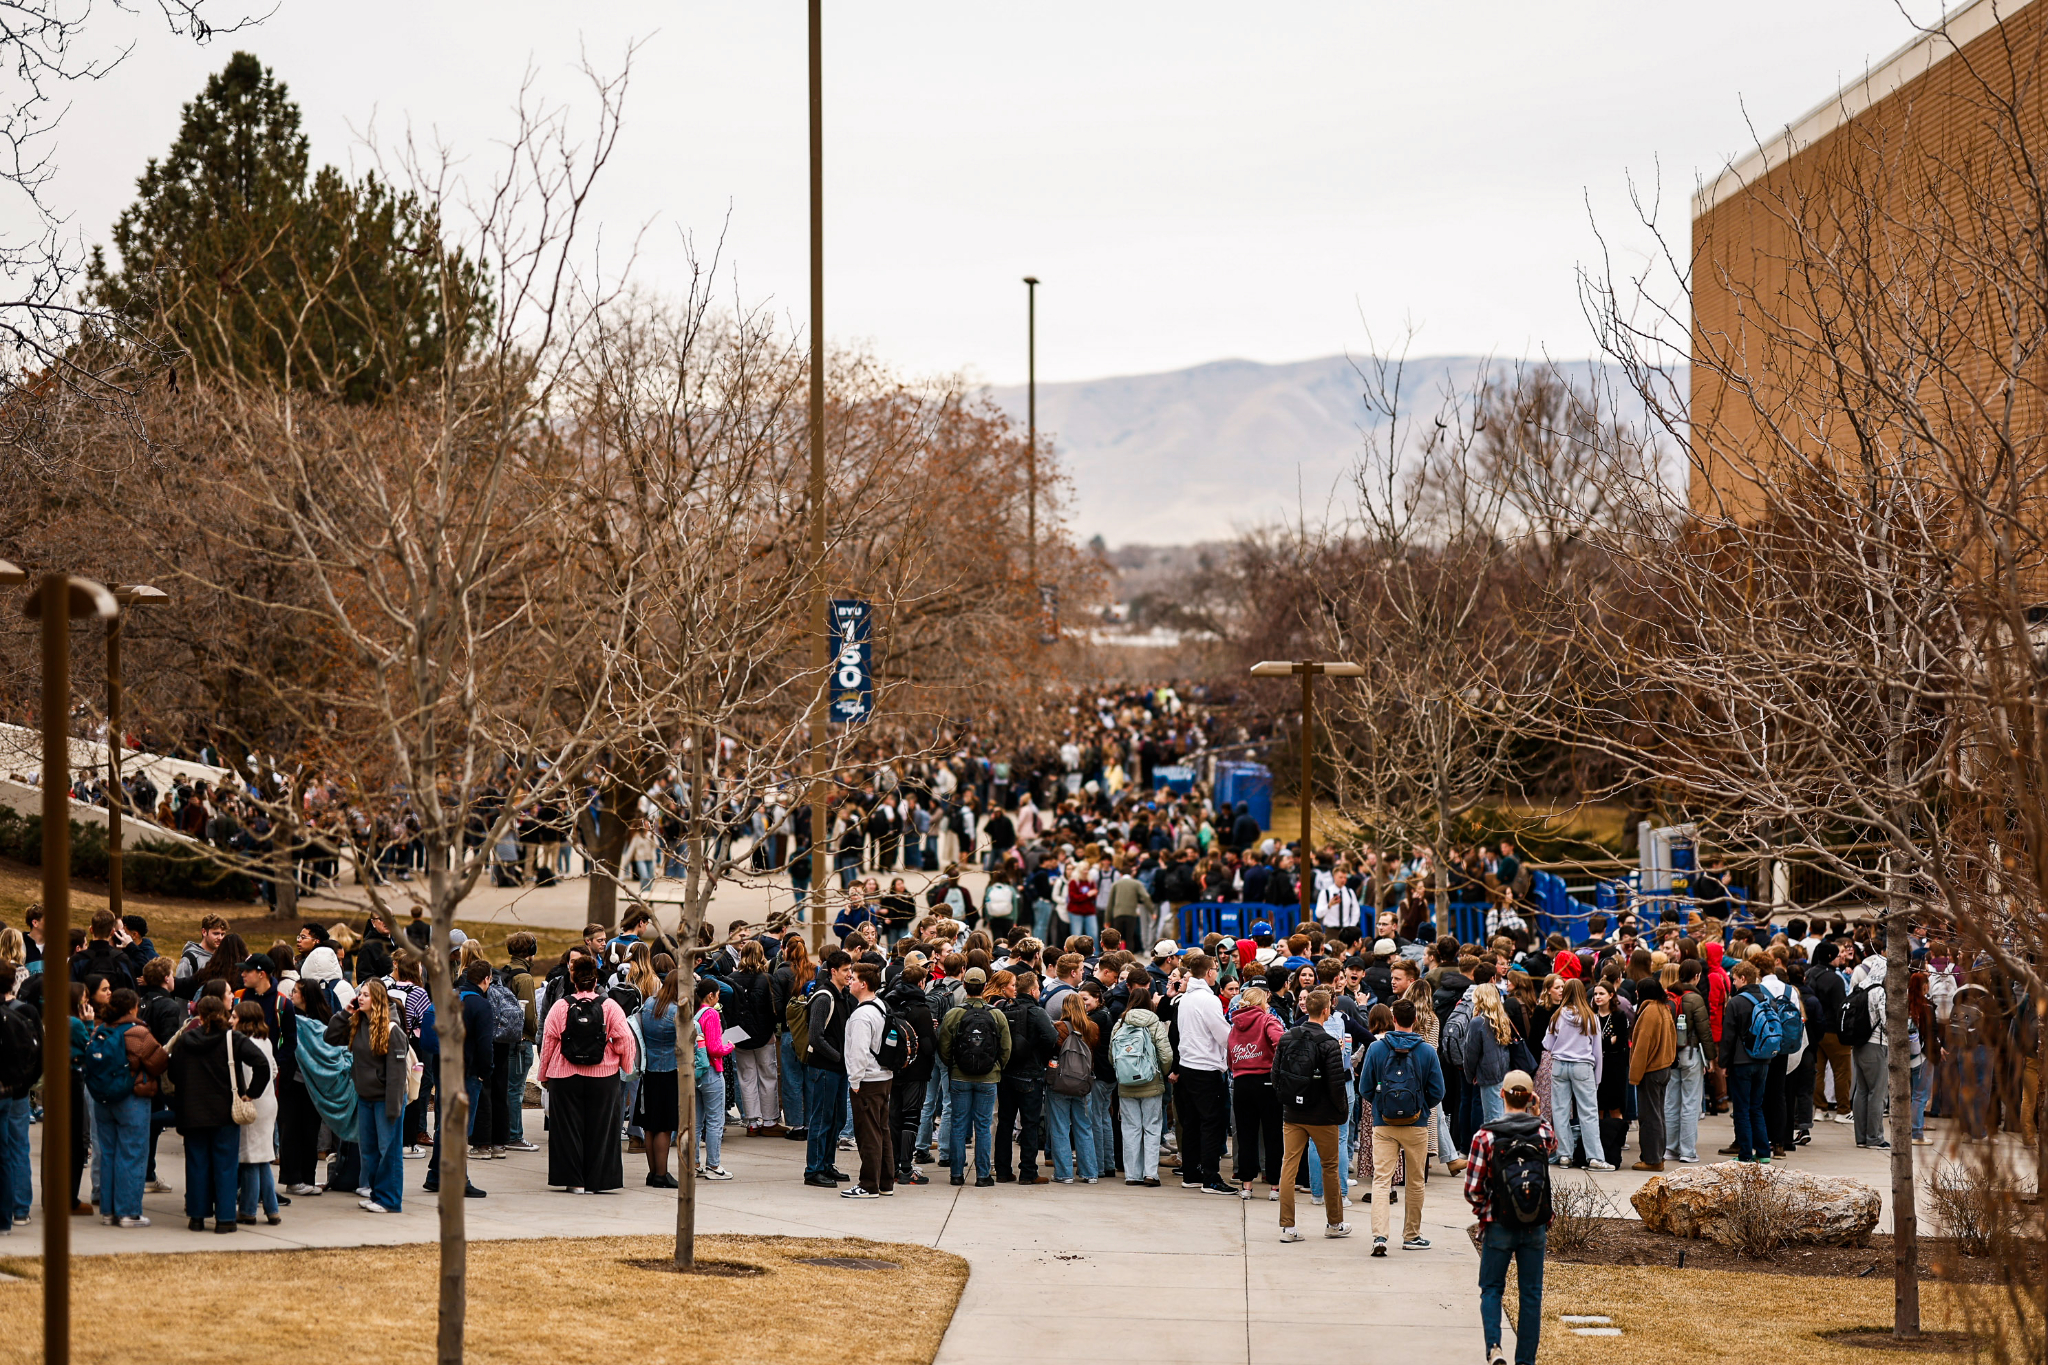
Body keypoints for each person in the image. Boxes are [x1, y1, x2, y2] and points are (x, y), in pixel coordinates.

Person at [1465, 1070, 1558, 1365]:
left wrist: (1484, 1212)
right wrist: (1538, 1112)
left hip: (1498, 1223)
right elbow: (1552, 1147)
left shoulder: (1486, 1135)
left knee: (1492, 1288)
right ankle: (1526, 1361)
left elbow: (1473, 1189)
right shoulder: (1543, 1132)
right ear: (1531, 1098)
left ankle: (1494, 1347)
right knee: (1531, 1295)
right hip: (1535, 1225)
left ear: (1501, 1094)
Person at [169, 995, 272, 1232]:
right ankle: (225, 1219)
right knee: (225, 1166)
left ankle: (197, 1216)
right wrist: (251, 1093)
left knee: (196, 1165)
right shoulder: (232, 1039)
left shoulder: (186, 1040)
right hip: (225, 1112)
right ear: (225, 1014)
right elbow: (262, 1064)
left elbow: (173, 1073)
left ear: (200, 1016)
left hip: (192, 1112)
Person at [539, 955, 636, 1194]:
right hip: (603, 1076)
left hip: (564, 1076)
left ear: (573, 979)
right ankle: (599, 1180)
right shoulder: (610, 1006)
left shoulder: (561, 1006)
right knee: (602, 1128)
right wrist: (626, 1065)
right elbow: (625, 1039)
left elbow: (549, 1043)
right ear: (595, 981)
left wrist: (544, 1075)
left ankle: (574, 1180)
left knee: (567, 1129)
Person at [1358, 996, 1445, 1254]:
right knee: (1415, 1182)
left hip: (1383, 1124)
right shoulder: (1427, 1051)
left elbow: (1365, 1088)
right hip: (1416, 1124)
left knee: (1381, 1181)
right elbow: (1438, 1091)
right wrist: (1420, 1106)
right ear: (1415, 1020)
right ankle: (1411, 1236)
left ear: (1394, 1019)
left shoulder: (1376, 1048)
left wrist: (1381, 1106)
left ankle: (1380, 1237)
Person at [81, 987, 168, 1228]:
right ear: (132, 1007)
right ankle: (129, 1211)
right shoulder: (138, 1032)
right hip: (132, 1098)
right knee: (132, 1153)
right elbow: (159, 1062)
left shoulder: (99, 1030)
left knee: (107, 1154)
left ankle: (108, 1211)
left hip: (103, 1099)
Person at [1272, 988, 1351, 1242]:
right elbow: (1336, 1085)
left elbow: (1275, 1076)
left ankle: (1287, 1227)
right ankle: (1334, 1223)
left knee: (1289, 1166)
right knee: (1330, 1167)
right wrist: (1341, 1112)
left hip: (1293, 1113)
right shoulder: (1328, 1043)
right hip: (1323, 1115)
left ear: (1306, 1008)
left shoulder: (1287, 1037)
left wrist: (1286, 1100)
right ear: (1327, 1010)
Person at [327, 979, 407, 1213]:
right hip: (365, 1097)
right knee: (369, 1151)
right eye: (359, 994)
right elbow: (330, 1037)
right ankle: (377, 1194)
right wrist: (345, 1012)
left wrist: (393, 1108)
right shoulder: (358, 1023)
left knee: (388, 1151)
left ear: (378, 1000)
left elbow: (396, 1075)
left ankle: (390, 1200)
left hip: (386, 1100)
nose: (360, 998)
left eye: (366, 995)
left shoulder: (392, 1030)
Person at [937, 966, 1011, 1187]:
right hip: (989, 1078)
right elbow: (1006, 1048)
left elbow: (944, 1046)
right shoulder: (996, 1014)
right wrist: (996, 1067)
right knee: (984, 1125)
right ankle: (982, 1175)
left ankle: (956, 1174)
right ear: (985, 987)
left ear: (965, 986)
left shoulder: (954, 1014)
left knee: (958, 1124)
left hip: (960, 1076)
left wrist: (954, 1065)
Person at [1172, 952, 1236, 1195]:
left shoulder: (1185, 998)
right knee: (1212, 1124)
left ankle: (1192, 1173)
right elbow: (1223, 1036)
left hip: (1188, 1066)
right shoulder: (1208, 1000)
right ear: (1210, 972)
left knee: (1192, 1124)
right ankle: (1210, 1177)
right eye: (1215, 970)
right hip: (1206, 1069)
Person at [841, 963, 896, 1198]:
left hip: (868, 1080)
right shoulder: (880, 1006)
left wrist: (854, 1081)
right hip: (883, 1076)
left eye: (852, 978)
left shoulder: (861, 1015)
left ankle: (868, 1185)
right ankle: (885, 1182)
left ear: (863, 984)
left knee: (868, 1134)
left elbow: (858, 1053)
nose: (849, 981)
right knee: (882, 1130)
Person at [1111, 981, 1173, 1186]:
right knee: (1152, 1127)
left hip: (1126, 1085)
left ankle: (1132, 1174)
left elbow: (1113, 1056)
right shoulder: (1153, 1021)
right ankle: (1150, 1174)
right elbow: (1165, 1053)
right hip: (1151, 1082)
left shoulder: (1120, 1023)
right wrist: (1161, 1074)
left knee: (1130, 1128)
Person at [801, 950, 855, 1187]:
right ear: (833, 971)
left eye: (850, 969)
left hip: (838, 1068)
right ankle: (813, 1170)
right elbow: (815, 1037)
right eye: (845, 970)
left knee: (836, 1119)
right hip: (824, 1068)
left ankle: (826, 1164)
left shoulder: (842, 995)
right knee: (821, 1119)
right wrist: (838, 1057)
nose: (849, 974)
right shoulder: (824, 997)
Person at [1543, 979, 1608, 1169]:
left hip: (1560, 1065)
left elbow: (1547, 1044)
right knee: (1588, 1112)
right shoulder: (1590, 1017)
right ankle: (1594, 1157)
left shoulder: (1557, 1015)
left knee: (1560, 1111)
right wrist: (1597, 1077)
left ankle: (1564, 1154)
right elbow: (1597, 1050)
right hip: (1582, 1065)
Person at [1227, 984, 1285, 1199]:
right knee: (1272, 1135)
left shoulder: (1236, 1024)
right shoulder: (1267, 1020)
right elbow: (1281, 1041)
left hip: (1242, 1082)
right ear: (1261, 1003)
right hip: (1266, 1081)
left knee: (1245, 1135)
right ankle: (1274, 1186)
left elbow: (1230, 1054)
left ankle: (1247, 1186)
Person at [232, 999, 282, 1225]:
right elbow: (273, 1069)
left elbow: (251, 1074)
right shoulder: (266, 1041)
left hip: (253, 1102)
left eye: (234, 1017)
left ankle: (249, 1210)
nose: (230, 1020)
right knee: (262, 1157)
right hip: (268, 1102)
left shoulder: (244, 1044)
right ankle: (271, 1209)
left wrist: (248, 1094)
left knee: (251, 1158)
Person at [1718, 959, 1773, 1163]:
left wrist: (1723, 1064)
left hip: (1742, 1061)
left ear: (1743, 978)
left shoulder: (1736, 1002)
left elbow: (1729, 1037)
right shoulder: (1768, 999)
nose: (1732, 984)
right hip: (1764, 1059)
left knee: (1741, 1109)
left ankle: (1745, 1154)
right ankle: (1764, 1153)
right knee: (1756, 1107)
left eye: (1734, 980)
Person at [635, 970, 684, 1187]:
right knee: (665, 1125)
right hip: (669, 1070)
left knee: (649, 1125)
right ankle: (662, 1174)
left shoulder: (648, 1004)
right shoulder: (676, 1011)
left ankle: (652, 1172)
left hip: (649, 1070)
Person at [727, 941, 781, 1135]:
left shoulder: (731, 978)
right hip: (765, 1033)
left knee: (746, 1077)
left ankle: (751, 1122)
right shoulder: (767, 978)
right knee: (768, 1076)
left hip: (740, 1035)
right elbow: (775, 1008)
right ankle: (769, 1120)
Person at [1046, 991, 1100, 1184]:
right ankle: (1090, 1173)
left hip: (1060, 1084)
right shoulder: (1092, 1028)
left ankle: (1064, 1174)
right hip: (1084, 1085)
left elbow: (1051, 1052)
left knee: (1060, 1128)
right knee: (1084, 1127)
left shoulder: (1059, 1028)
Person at [1628, 978, 1676, 1171]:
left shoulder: (1649, 1012)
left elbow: (1642, 1047)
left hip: (1651, 1070)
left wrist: (1634, 1076)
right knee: (1658, 1115)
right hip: (1664, 1068)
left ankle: (1652, 1159)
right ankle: (1658, 1156)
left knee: (1649, 1117)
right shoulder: (1663, 1008)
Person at [693, 977, 735, 1180]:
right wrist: (730, 1046)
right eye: (718, 994)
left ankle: (694, 1163)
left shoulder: (695, 1013)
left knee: (696, 1122)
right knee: (715, 1120)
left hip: (697, 1072)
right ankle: (713, 1165)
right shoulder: (711, 1014)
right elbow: (715, 1048)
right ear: (711, 995)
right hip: (711, 1070)